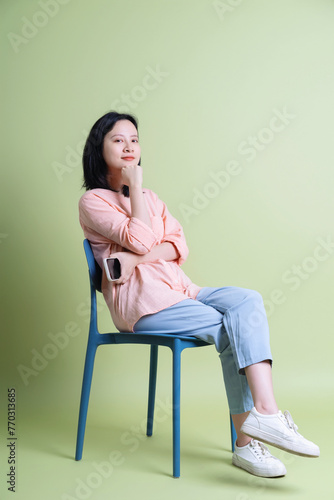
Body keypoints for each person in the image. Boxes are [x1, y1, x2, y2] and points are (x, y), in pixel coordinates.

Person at [78, 111, 320, 478]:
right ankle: (245, 444)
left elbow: (179, 246)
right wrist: (136, 190)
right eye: (118, 140)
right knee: (229, 330)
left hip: (181, 290)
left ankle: (266, 414)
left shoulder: (151, 199)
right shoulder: (94, 201)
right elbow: (145, 237)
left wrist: (132, 256)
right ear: (99, 148)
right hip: (142, 306)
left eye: (134, 139)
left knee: (248, 302)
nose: (129, 146)